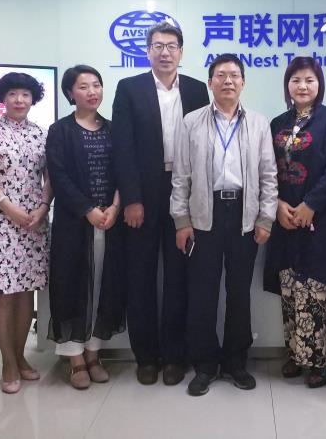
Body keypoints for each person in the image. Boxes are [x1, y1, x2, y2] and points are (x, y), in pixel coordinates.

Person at [170, 54, 277, 396]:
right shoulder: (191, 122)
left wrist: (266, 218)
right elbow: (181, 176)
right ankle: (204, 364)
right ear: (210, 82)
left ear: (243, 82)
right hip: (204, 214)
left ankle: (235, 362)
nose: (228, 81)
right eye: (221, 75)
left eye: (234, 75)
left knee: (239, 292)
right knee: (202, 293)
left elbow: (269, 174)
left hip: (244, 214)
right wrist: (181, 221)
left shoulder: (258, 123)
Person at [112, 21, 210, 385]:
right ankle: (146, 357)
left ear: (181, 52)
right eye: (158, 46)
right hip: (144, 192)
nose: (165, 52)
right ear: (147, 50)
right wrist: (132, 199)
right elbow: (122, 147)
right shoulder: (130, 88)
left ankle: (174, 356)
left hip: (183, 190)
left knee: (179, 277)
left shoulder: (198, 89)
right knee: (141, 276)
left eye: (171, 46)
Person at [263, 57, 326, 389]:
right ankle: (297, 353)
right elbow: (267, 168)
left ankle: (321, 360)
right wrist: (278, 204)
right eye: (296, 80)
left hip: (322, 219)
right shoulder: (277, 123)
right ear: (287, 85)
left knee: (318, 290)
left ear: (319, 85)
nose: (302, 86)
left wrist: (310, 205)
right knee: (291, 288)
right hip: (285, 218)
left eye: (309, 80)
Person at [46, 65, 127, 390]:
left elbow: (124, 172)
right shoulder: (60, 130)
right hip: (74, 222)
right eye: (83, 86)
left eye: (96, 85)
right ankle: (75, 358)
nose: (92, 91)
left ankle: (94, 353)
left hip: (111, 220)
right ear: (70, 93)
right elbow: (59, 176)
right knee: (72, 285)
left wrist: (116, 207)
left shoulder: (113, 129)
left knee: (105, 285)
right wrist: (87, 210)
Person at [0, 72, 52, 394]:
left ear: (33, 99)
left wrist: (42, 208)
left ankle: (21, 357)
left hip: (34, 221)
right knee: (4, 293)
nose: (20, 100)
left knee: (26, 291)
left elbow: (50, 177)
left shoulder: (42, 134)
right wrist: (9, 208)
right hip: (0, 221)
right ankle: (8, 362)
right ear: (3, 97)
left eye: (26, 95)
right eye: (13, 94)